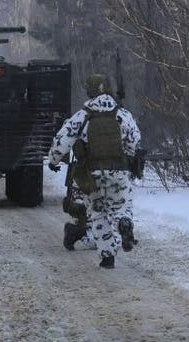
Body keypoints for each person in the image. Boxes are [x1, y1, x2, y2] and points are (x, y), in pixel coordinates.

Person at [47, 73, 142, 269]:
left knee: (98, 214)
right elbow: (134, 141)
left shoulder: (83, 115)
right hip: (119, 172)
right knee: (121, 207)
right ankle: (124, 223)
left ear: (89, 91)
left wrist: (53, 160)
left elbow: (62, 139)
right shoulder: (123, 114)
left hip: (92, 175)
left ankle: (107, 257)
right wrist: (129, 158)